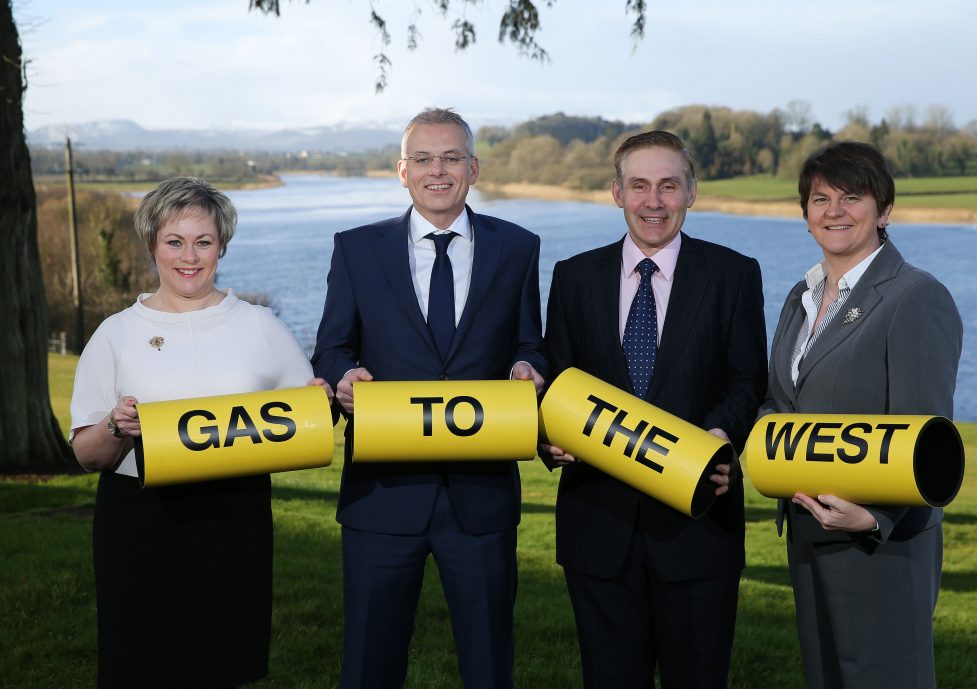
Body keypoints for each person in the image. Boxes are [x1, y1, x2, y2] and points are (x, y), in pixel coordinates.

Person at [312, 107, 546, 689]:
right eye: (423, 159)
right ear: (402, 171)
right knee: (368, 666)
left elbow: (531, 342)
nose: (436, 171)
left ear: (473, 168)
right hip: (382, 498)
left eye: (450, 158)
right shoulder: (356, 250)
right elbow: (331, 348)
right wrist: (343, 378)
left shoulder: (518, 248)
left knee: (490, 668)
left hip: (482, 500)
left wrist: (528, 367)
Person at [69, 177, 331, 689]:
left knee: (223, 665)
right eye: (175, 241)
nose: (189, 256)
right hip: (139, 521)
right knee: (139, 668)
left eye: (203, 242)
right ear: (152, 245)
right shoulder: (115, 332)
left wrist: (320, 400)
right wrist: (116, 426)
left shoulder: (261, 325)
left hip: (233, 517)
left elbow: (308, 418)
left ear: (221, 247)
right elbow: (86, 454)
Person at [541, 130, 767, 689]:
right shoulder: (574, 276)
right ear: (616, 193)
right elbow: (554, 384)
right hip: (598, 528)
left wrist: (718, 435)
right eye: (639, 186)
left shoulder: (734, 274)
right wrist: (547, 439)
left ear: (692, 191)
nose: (654, 201)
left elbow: (747, 380)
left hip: (697, 529)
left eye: (669, 185)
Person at [762, 141, 963, 689]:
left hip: (882, 544)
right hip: (808, 532)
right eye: (820, 198)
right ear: (804, 213)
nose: (834, 211)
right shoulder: (799, 297)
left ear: (884, 210)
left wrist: (876, 517)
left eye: (852, 196)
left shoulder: (916, 297)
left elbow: (927, 437)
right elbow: (779, 403)